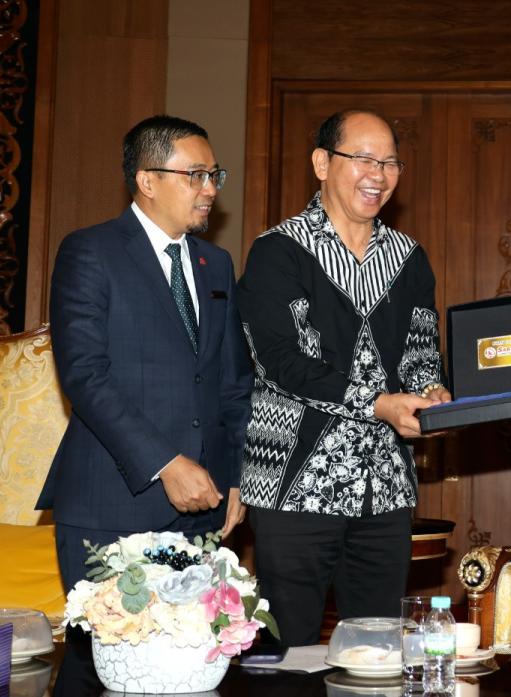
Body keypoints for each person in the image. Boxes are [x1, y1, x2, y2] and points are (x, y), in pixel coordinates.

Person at [236, 109, 450, 646]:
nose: (379, 174)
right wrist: (379, 404)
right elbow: (281, 363)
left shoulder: (409, 258)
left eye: (391, 162)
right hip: (292, 488)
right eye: (363, 159)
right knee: (288, 655)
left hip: (385, 491)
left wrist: (433, 396)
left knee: (376, 652)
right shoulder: (278, 250)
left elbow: (422, 354)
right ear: (322, 163)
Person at [39, 115, 252, 592]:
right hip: (112, 506)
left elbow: (234, 384)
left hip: (205, 509)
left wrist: (239, 477)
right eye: (195, 175)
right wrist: (166, 463)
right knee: (106, 644)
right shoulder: (90, 252)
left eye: (214, 175)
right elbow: (85, 377)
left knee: (201, 642)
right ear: (147, 181)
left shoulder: (216, 264)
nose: (210, 189)